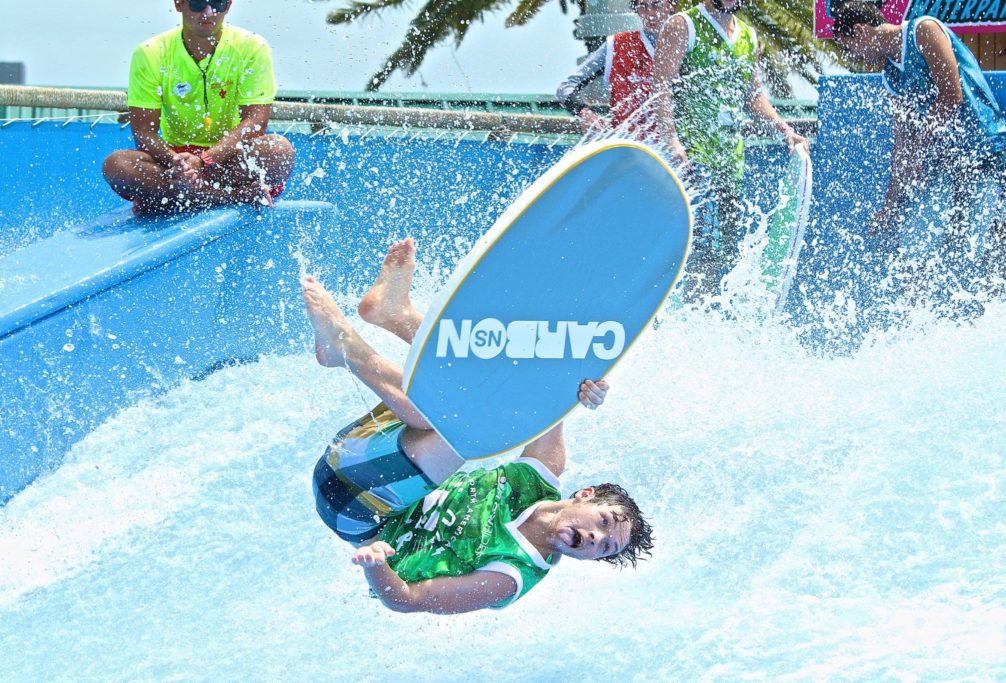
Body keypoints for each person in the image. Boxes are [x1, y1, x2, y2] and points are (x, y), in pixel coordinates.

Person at [302, 238, 654, 614]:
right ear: (585, 495)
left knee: (464, 427)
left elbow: (408, 599)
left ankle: (346, 344)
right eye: (602, 523)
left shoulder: (510, 573)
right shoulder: (543, 472)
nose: (593, 538)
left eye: (603, 548)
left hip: (355, 507)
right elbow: (539, 382)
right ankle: (395, 315)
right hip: (370, 448)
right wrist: (582, 390)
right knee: (486, 398)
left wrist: (376, 564)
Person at [830, 1, 1006, 306]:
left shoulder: (923, 30)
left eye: (849, 47)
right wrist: (889, 207)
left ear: (861, 31)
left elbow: (951, 96)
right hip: (947, 161)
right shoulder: (890, 76)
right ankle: (924, 321)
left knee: (977, 244)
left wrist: (918, 151)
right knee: (920, 243)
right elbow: (901, 145)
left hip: (985, 149)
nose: (853, 57)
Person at [653, 0, 808, 293]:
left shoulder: (749, 36)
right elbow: (662, 87)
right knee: (699, 249)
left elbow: (753, 97)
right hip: (693, 162)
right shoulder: (683, 25)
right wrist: (671, 140)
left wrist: (784, 129)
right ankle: (688, 314)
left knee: (724, 250)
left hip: (731, 165)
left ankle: (704, 319)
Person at [102, 0, 294, 214]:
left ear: (228, 6)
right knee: (116, 165)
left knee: (279, 150)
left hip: (229, 158)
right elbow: (144, 133)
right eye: (197, 3)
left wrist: (204, 160)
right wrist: (178, 163)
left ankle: (178, 197)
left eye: (218, 4)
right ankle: (228, 196)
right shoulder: (149, 53)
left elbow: (255, 123)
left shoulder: (252, 47)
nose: (208, 12)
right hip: (175, 161)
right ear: (179, 4)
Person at [556, 0, 677, 140]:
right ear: (636, 10)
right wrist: (584, 113)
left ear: (671, 5)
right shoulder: (617, 45)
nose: (650, 13)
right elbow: (565, 87)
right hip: (628, 146)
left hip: (680, 149)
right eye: (643, 6)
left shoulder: (689, 43)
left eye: (657, 4)